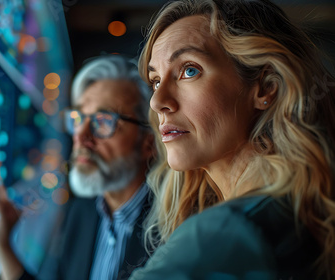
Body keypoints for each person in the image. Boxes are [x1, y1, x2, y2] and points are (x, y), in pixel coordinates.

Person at [128, 0, 335, 279]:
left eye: (189, 70)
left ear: (265, 88)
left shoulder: (226, 230)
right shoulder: (298, 214)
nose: (157, 101)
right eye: (155, 81)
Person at [0, 55, 157, 280]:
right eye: (78, 118)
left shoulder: (174, 228)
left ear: (149, 143)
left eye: (104, 120)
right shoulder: (82, 211)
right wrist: (2, 245)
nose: (80, 135)